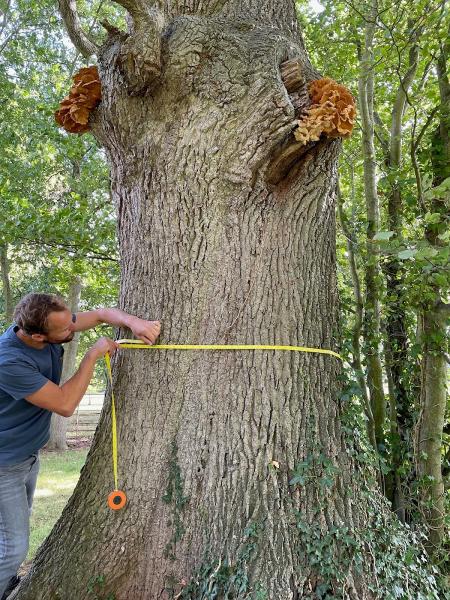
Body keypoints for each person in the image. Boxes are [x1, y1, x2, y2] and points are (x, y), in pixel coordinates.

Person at [0, 293, 161, 599]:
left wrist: (134, 322)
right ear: (37, 336)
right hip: (4, 465)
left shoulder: (52, 325)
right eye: (65, 331)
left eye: (71, 321)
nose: (73, 330)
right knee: (14, 548)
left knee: (8, 534)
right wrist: (92, 356)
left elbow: (100, 314)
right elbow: (64, 404)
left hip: (25, 457)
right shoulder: (9, 361)